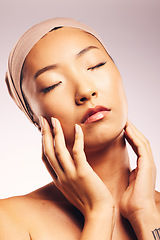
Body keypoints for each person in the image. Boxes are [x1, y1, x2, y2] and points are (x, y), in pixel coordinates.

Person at [2, 17, 160, 240]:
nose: (85, 90)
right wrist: (99, 214)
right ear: (35, 118)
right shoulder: (9, 220)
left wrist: (145, 214)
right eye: (52, 84)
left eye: (95, 65)